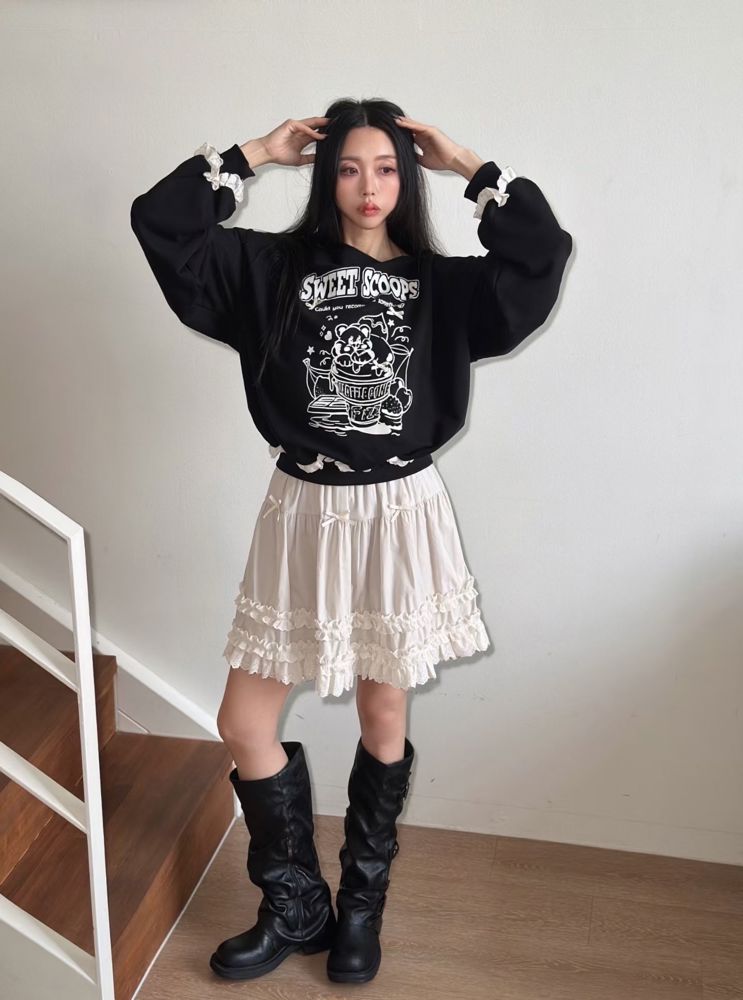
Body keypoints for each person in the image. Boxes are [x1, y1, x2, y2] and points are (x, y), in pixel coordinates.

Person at [130, 97, 572, 985]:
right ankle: (295, 906)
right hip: (301, 509)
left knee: (384, 714)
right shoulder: (269, 269)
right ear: (324, 177)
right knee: (242, 722)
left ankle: (361, 908)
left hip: (397, 513)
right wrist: (252, 154)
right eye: (347, 167)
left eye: (384, 168)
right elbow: (163, 224)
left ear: (406, 178)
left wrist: (469, 165)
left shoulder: (444, 286)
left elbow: (539, 253)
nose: (367, 186)